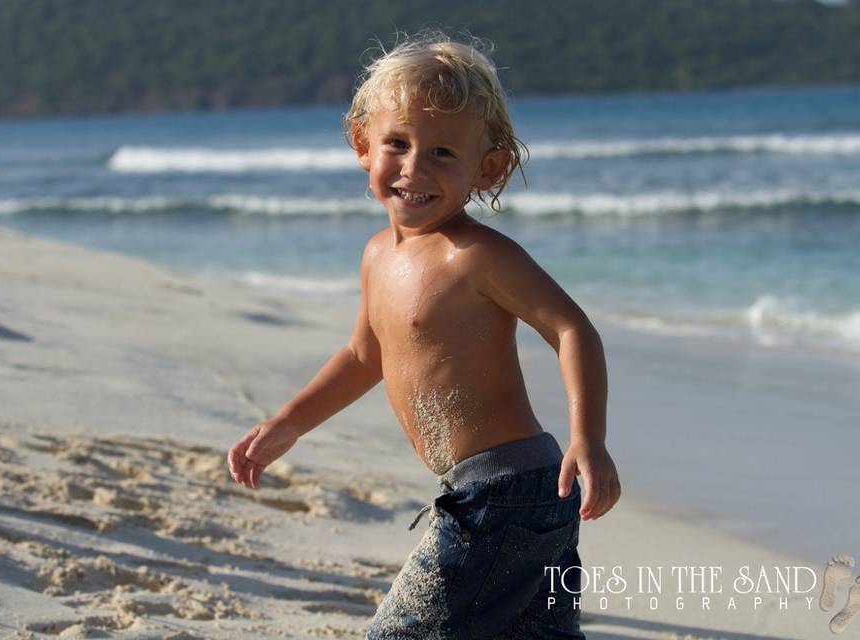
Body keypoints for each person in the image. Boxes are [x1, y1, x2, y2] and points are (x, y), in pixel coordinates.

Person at [228, 32, 620, 639]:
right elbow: (364, 356)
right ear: (363, 144)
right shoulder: (377, 255)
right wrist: (289, 423)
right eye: (397, 144)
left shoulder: (476, 256)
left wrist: (587, 439)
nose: (414, 167)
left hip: (505, 494)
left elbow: (572, 329)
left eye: (443, 152)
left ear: (487, 167)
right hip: (502, 491)